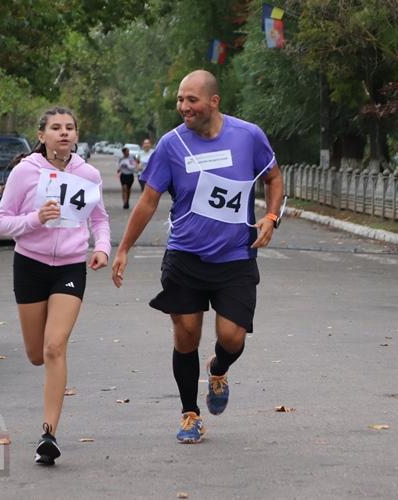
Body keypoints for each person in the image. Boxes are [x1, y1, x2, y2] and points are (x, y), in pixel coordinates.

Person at [111, 70, 284, 444]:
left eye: (191, 100)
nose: (183, 107)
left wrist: (271, 217)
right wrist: (124, 247)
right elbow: (148, 200)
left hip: (236, 256)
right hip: (186, 256)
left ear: (214, 101)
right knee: (186, 334)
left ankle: (218, 369)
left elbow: (273, 177)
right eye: (179, 100)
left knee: (232, 337)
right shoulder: (171, 145)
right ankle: (190, 413)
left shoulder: (248, 136)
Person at [0, 106, 111, 465]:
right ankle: (48, 421)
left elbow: (100, 219)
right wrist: (34, 219)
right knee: (35, 353)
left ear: (76, 135)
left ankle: (49, 434)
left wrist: (102, 248)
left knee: (55, 347)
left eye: (70, 127)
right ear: (41, 135)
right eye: (55, 127)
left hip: (71, 266)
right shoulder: (24, 172)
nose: (63, 133)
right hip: (30, 264)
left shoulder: (88, 173)